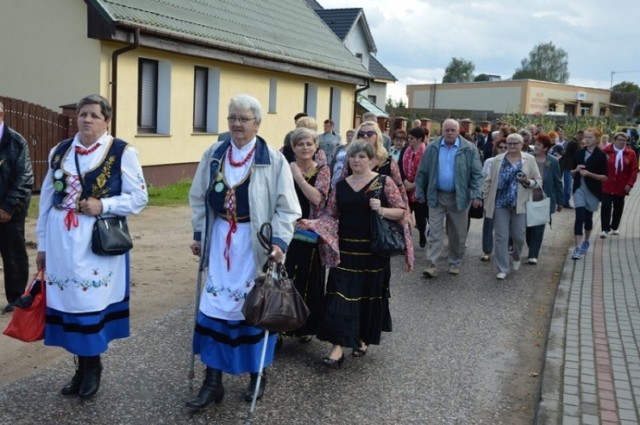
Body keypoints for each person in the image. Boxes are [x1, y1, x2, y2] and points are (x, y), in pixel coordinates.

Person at [187, 94, 301, 410]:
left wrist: (278, 242)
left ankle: (257, 375)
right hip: (221, 239)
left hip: (254, 247)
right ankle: (213, 382)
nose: (237, 124)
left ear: (257, 123)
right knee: (215, 309)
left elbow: (287, 208)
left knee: (254, 309)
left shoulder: (272, 160)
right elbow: (198, 197)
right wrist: (200, 233)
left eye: (243, 119)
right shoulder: (214, 155)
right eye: (232, 118)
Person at [35, 94, 148, 398]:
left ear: (106, 120)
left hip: (95, 242)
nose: (86, 119)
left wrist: (104, 204)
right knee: (69, 304)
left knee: (88, 305)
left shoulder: (122, 152)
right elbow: (46, 201)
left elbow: (139, 197)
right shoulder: (60, 151)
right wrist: (42, 246)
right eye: (83, 114)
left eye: (94, 115)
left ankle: (93, 365)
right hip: (61, 241)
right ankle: (80, 367)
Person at [303, 140, 412, 367]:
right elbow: (330, 215)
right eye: (353, 156)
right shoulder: (341, 186)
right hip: (345, 251)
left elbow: (401, 212)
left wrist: (381, 209)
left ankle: (363, 338)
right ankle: (337, 348)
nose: (356, 160)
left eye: (362, 156)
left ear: (372, 159)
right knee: (339, 297)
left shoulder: (384, 182)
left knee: (366, 297)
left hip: (373, 253)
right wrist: (311, 224)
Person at [415, 119, 483, 277]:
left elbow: (477, 174)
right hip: (436, 195)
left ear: (459, 131)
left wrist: (476, 194)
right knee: (435, 232)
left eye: (453, 130)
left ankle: (454, 262)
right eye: (447, 130)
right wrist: (419, 190)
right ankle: (432, 263)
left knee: (457, 234)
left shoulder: (469, 149)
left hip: (459, 197)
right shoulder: (432, 147)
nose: (450, 132)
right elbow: (423, 171)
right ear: (442, 131)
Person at [284, 127, 330, 341]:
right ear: (293, 147)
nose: (305, 147)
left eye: (309, 143)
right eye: (300, 143)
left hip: (309, 232)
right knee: (286, 278)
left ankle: (305, 327)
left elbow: (317, 199)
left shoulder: (322, 170)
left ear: (316, 146)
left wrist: (299, 178)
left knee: (308, 278)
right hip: (285, 230)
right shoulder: (283, 168)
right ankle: (280, 325)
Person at [482, 133, 542, 280]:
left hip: (519, 204)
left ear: (522, 145)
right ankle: (502, 268)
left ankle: (516, 256)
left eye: (516, 143)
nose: (512, 146)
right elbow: (488, 180)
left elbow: (538, 181)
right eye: (510, 143)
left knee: (519, 236)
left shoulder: (529, 159)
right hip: (500, 204)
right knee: (501, 237)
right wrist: (485, 197)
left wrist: (528, 182)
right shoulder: (498, 160)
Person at [0, 101, 34, 314]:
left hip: (9, 212)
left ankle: (16, 298)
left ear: (1, 115)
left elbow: (25, 178)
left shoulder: (16, 141)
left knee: (13, 255)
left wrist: (8, 207)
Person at [525, 133, 563, 264]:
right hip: (527, 199)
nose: (536, 146)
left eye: (539, 144)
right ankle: (532, 246)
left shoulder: (552, 161)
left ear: (546, 148)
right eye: (535, 144)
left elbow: (558, 182)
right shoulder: (528, 158)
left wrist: (560, 201)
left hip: (543, 199)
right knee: (528, 228)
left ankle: (533, 254)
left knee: (538, 228)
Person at [570, 128, 608, 260]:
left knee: (587, 218)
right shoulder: (579, 153)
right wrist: (576, 170)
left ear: (597, 139)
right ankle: (577, 248)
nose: (587, 139)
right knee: (579, 217)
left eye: (590, 137)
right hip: (579, 188)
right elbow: (571, 172)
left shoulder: (601, 155)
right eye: (586, 137)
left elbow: (605, 177)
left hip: (592, 191)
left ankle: (586, 240)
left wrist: (589, 174)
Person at [599, 132, 637, 238]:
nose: (622, 142)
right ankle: (604, 229)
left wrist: (630, 184)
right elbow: (600, 166)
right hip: (607, 184)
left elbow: (633, 171)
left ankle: (614, 227)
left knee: (618, 207)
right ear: (614, 140)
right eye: (620, 140)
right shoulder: (606, 151)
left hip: (621, 185)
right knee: (606, 206)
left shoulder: (630, 153)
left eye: (624, 140)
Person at [479, 140, 509, 262]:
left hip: (506, 198)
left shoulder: (514, 163)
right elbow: (483, 178)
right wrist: (483, 196)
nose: (502, 149)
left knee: (505, 226)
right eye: (500, 147)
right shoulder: (490, 161)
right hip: (491, 196)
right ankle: (487, 250)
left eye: (505, 147)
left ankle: (503, 250)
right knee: (488, 224)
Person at [399, 126, 428, 247]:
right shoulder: (406, 149)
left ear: (420, 139)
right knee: (406, 216)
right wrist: (405, 181)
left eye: (412, 138)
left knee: (420, 218)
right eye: (408, 138)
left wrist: (416, 184)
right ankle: (406, 241)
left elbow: (428, 170)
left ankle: (422, 233)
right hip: (406, 188)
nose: (409, 140)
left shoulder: (427, 152)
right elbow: (399, 166)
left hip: (420, 190)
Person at [559, 130, 583, 208]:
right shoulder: (574, 143)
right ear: (579, 134)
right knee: (568, 186)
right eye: (583, 136)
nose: (583, 138)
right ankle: (565, 202)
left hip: (568, 166)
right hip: (568, 166)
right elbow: (579, 153)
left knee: (568, 185)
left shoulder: (573, 142)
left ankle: (565, 201)